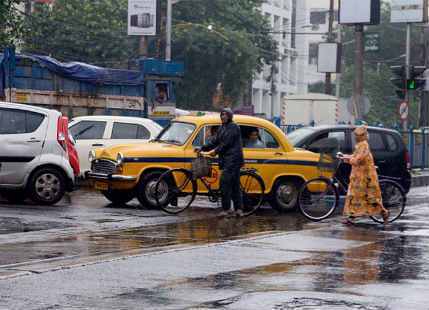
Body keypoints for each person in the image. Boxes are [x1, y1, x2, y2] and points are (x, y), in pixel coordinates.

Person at [200, 108, 244, 217]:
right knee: (234, 185)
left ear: (230, 116)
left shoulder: (234, 127)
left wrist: (215, 151)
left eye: (225, 115)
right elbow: (215, 141)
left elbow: (226, 143)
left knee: (224, 183)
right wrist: (202, 148)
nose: (223, 116)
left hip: (233, 159)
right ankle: (239, 209)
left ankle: (227, 209)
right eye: (222, 114)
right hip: (227, 160)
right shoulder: (222, 128)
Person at [340, 125, 389, 225]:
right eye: (356, 135)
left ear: (362, 136)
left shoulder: (364, 145)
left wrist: (349, 159)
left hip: (366, 177)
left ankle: (384, 212)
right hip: (358, 177)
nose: (356, 137)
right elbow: (355, 156)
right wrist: (345, 157)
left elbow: (358, 159)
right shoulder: (360, 145)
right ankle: (351, 217)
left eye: (358, 135)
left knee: (371, 198)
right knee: (354, 196)